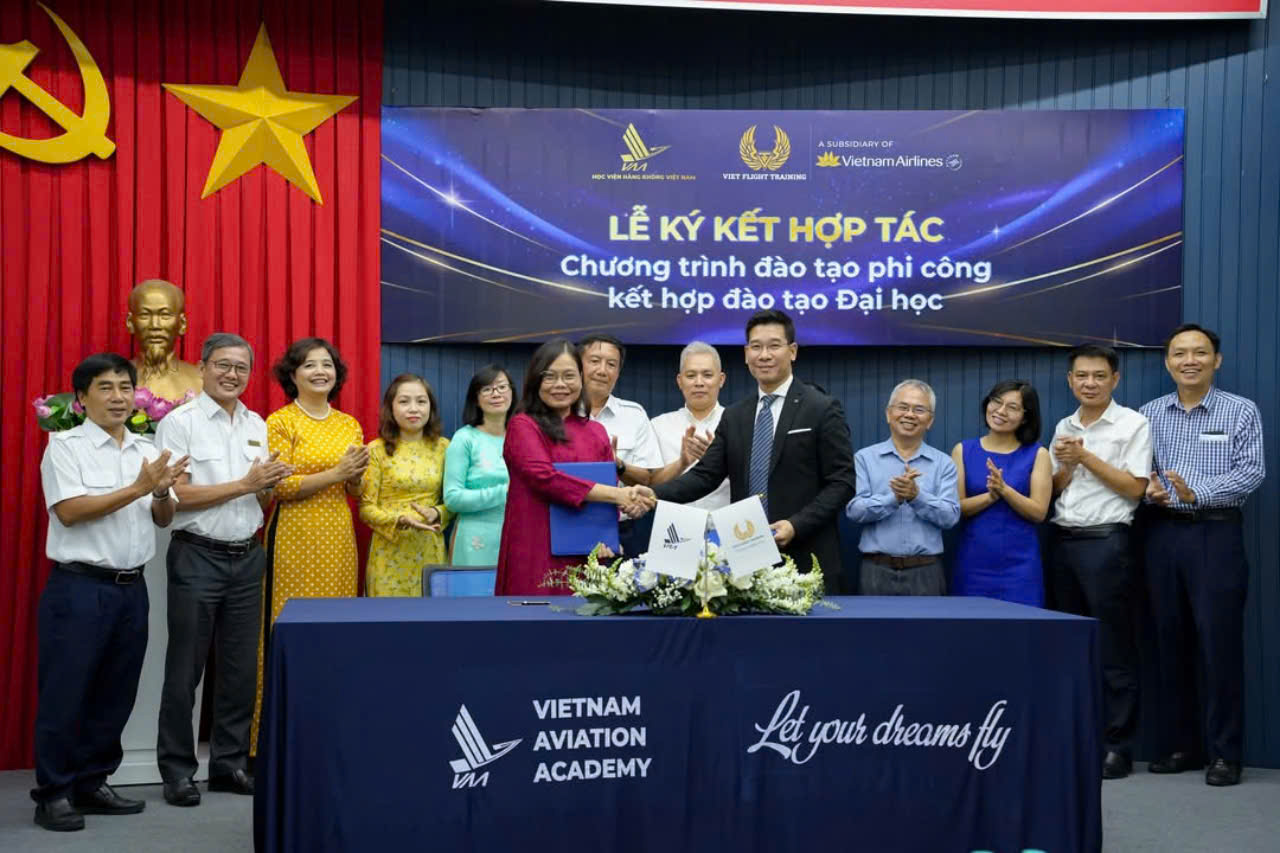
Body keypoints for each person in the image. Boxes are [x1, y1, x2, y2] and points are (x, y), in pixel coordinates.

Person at [33, 353, 188, 832]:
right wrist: (140, 486)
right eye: (105, 387)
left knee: (116, 693)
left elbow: (164, 517)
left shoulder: (147, 446)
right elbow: (70, 512)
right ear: (82, 398)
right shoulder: (65, 446)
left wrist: (159, 492)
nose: (118, 397)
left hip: (131, 589)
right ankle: (53, 793)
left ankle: (92, 781)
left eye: (125, 387)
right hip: (79, 588)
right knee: (66, 693)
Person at [154, 334, 292, 806]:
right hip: (198, 556)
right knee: (185, 670)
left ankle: (228, 765)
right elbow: (178, 496)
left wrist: (267, 485)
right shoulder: (180, 423)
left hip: (247, 556)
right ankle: (177, 771)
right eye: (222, 365)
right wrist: (246, 484)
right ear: (202, 367)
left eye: (241, 368)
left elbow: (259, 498)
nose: (232, 375)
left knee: (240, 670)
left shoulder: (256, 423)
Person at [1140, 324, 1264, 786]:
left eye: (1199, 352)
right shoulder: (1150, 413)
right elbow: (1140, 472)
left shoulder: (1240, 410)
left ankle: (1225, 753)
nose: (1189, 360)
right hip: (1161, 535)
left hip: (1216, 533)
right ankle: (1181, 746)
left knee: (1219, 645)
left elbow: (1252, 471)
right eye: (1179, 353)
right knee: (1169, 643)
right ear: (1167, 362)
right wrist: (1149, 490)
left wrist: (1198, 493)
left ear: (1217, 360)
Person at [652, 310, 856, 591]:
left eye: (774, 346)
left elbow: (842, 482)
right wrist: (651, 494)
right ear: (747, 354)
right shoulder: (736, 415)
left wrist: (796, 525)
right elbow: (705, 476)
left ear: (792, 351)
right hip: (746, 560)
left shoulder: (821, 408)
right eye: (756, 347)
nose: (765, 355)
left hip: (807, 559)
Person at [250, 338, 368, 749]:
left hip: (338, 535)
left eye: (327, 365)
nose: (320, 372)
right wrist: (338, 473)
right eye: (310, 365)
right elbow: (281, 487)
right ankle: (269, 740)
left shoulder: (349, 424)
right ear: (293, 375)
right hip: (294, 536)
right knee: (286, 629)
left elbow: (355, 490)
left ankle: (328, 732)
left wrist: (356, 478)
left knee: (335, 632)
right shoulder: (280, 422)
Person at [1046, 345, 1152, 780]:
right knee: (1069, 647)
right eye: (1082, 376)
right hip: (1062, 540)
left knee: (1113, 648)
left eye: (1099, 376)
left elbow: (1135, 488)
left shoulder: (1133, 424)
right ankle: (1077, 739)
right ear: (1070, 380)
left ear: (1115, 379)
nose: (1089, 383)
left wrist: (1085, 456)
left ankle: (1117, 747)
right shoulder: (1063, 426)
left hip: (1107, 543)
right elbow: (1055, 487)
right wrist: (1067, 468)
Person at [495, 339, 655, 596]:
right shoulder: (523, 425)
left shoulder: (596, 431)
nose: (560, 384)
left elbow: (608, 489)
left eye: (569, 376)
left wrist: (612, 529)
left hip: (586, 553)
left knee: (585, 616)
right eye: (550, 376)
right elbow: (545, 478)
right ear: (536, 380)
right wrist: (619, 495)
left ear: (581, 379)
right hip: (534, 550)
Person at [846, 380, 959, 595]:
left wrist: (917, 497)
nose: (909, 415)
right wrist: (894, 498)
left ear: (930, 420)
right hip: (875, 569)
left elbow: (950, 517)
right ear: (889, 414)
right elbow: (854, 511)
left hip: (926, 571)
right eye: (903, 407)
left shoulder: (943, 463)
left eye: (919, 410)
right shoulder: (865, 458)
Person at [951, 380, 1052, 606]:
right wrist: (990, 496)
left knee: (1023, 625)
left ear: (1025, 417)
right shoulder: (963, 450)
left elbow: (1039, 512)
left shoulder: (1038, 454)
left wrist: (1005, 490)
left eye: (1012, 407)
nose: (1001, 411)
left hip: (1021, 567)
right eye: (996, 402)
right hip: (973, 563)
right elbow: (956, 508)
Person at [359, 374, 450, 595]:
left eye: (421, 401)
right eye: (404, 401)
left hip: (430, 549)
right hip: (388, 553)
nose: (413, 409)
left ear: (431, 407)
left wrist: (437, 513)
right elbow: (366, 509)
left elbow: (454, 501)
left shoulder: (444, 448)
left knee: (432, 613)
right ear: (391, 408)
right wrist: (399, 519)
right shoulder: (376, 450)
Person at [444, 365, 515, 566]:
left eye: (502, 387)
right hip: (475, 540)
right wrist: (504, 492)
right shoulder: (465, 438)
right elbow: (452, 498)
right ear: (475, 398)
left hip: (518, 536)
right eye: (487, 389)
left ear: (512, 392)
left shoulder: (522, 437)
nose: (496, 394)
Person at [649, 342, 730, 512]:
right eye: (691, 375)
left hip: (726, 523)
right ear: (680, 381)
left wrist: (719, 461)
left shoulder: (737, 422)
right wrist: (681, 463)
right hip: (672, 524)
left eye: (707, 375)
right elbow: (650, 483)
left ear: (721, 379)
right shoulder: (658, 426)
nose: (699, 382)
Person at [125, 279, 203, 402]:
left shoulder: (202, 381)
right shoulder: (111, 379)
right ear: (130, 322)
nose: (155, 325)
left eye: (165, 315)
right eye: (145, 315)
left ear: (182, 324)